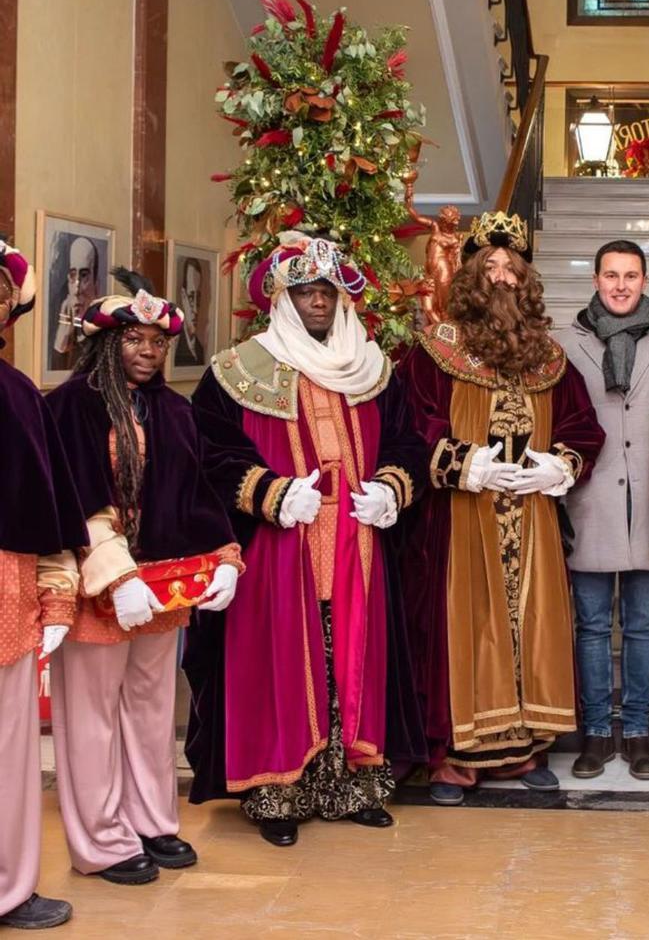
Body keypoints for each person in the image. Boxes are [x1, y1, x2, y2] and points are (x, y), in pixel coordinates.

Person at [185, 232, 428, 847]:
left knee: (351, 660)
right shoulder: (237, 371)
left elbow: (407, 443)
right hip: (278, 549)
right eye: (305, 291)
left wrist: (391, 488)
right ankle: (277, 792)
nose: (318, 301)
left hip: (358, 544)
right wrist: (268, 491)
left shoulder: (373, 368)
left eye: (327, 290)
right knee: (281, 664)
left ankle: (351, 787)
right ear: (281, 298)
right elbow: (209, 454)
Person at [45, 269, 243, 885]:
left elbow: (198, 491)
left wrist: (226, 556)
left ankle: (153, 821)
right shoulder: (71, 406)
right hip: (97, 585)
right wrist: (115, 574)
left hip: (164, 589)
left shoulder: (174, 410)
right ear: (109, 344)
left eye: (158, 343)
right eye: (136, 341)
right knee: (92, 715)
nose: (149, 353)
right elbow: (71, 496)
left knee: (152, 708)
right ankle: (102, 840)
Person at [402, 209, 604, 805]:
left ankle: (523, 754)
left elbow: (581, 425)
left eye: (510, 266)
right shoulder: (435, 349)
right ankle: (454, 762)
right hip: (461, 517)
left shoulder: (550, 356)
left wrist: (560, 463)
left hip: (532, 517)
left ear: (526, 279)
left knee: (529, 627)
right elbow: (412, 423)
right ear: (468, 277)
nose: (500, 276)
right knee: (467, 628)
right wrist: (462, 462)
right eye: (488, 265)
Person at [559, 239, 649, 780]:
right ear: (595, 280)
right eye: (610, 275)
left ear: (645, 280)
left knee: (641, 626)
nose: (620, 285)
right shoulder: (561, 343)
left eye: (631, 275)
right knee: (589, 626)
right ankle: (594, 734)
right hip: (587, 502)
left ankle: (636, 733)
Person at [0, 240, 87, 930]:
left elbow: (49, 509)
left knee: (8, 754)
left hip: (6, 596)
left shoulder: (22, 395)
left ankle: (8, 887)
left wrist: (58, 594)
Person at [51, 236, 99, 370]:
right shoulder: (64, 328)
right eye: (73, 275)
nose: (77, 289)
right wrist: (61, 343)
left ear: (96, 284)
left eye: (84, 276)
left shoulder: (103, 340)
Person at [174, 258, 206, 367]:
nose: (196, 310)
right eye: (191, 297)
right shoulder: (174, 348)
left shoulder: (200, 350)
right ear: (183, 296)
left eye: (199, 297)